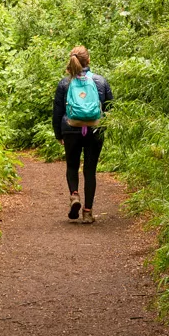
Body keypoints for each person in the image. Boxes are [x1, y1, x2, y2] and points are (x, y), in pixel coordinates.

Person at [52, 45, 113, 223]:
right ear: (89, 60)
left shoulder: (64, 83)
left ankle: (74, 196)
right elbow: (110, 109)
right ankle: (87, 212)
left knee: (72, 166)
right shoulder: (101, 81)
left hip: (70, 128)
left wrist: (59, 134)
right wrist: (103, 129)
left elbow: (57, 112)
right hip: (94, 129)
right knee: (90, 170)